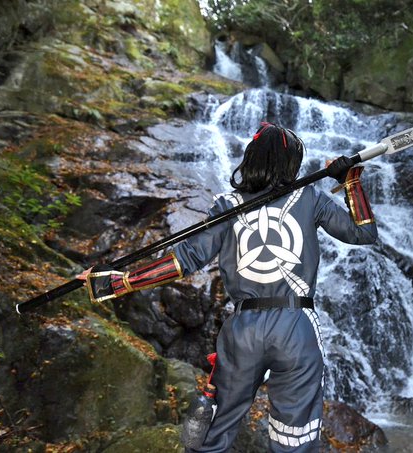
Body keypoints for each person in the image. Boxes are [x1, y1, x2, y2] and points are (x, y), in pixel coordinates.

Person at [81, 123, 378, 452]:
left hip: (243, 330)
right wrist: (351, 182)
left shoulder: (227, 205)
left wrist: (117, 281)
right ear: (291, 164)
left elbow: (184, 260)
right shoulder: (310, 197)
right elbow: (363, 233)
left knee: (212, 427)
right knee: (296, 440)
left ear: (251, 158)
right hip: (296, 327)